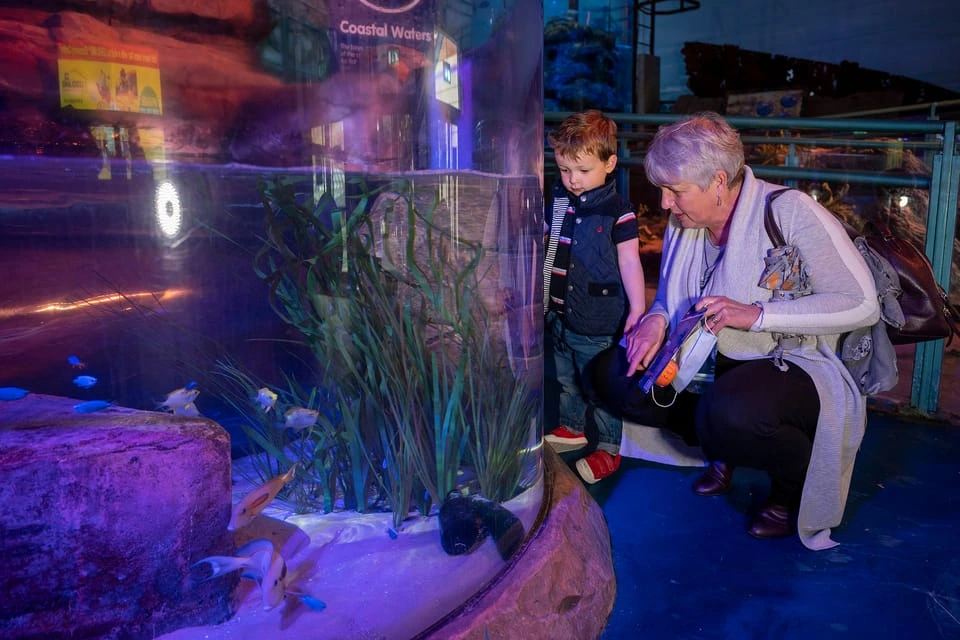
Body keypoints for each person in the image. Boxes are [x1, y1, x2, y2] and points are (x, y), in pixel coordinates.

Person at [588, 112, 879, 549]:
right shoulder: (687, 222)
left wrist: (757, 315)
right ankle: (718, 445)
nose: (665, 203)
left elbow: (861, 302)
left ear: (719, 182)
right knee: (611, 375)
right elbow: (670, 296)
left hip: (788, 358)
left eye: (675, 191)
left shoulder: (790, 210)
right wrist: (655, 320)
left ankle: (789, 487)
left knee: (730, 414)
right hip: (707, 358)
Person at [542, 110, 646, 484]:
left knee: (598, 384)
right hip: (558, 312)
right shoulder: (558, 198)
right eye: (564, 169)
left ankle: (609, 447)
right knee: (566, 377)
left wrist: (638, 308)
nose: (572, 179)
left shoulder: (618, 211)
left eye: (583, 170)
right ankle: (573, 427)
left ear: (609, 164)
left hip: (598, 318)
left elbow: (630, 261)